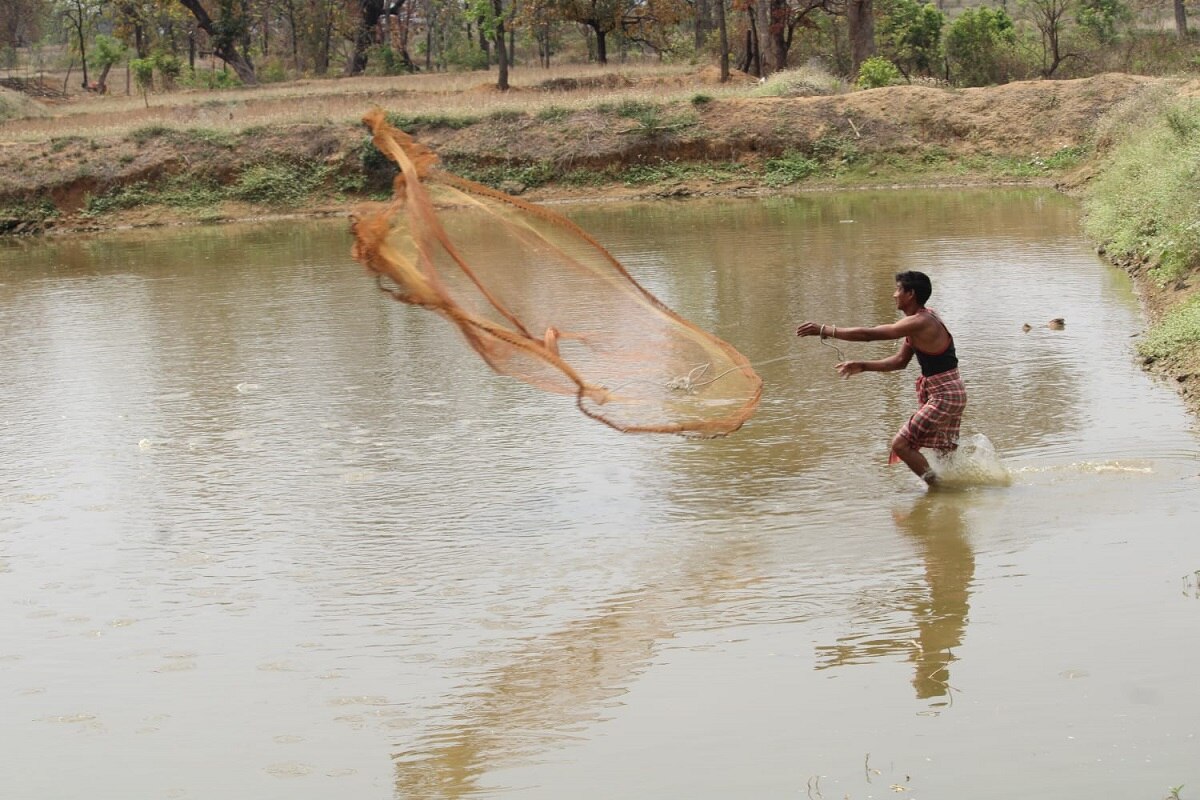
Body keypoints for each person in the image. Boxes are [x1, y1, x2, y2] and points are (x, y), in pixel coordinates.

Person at [796, 270, 966, 486]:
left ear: (910, 294)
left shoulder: (921, 321)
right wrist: (863, 366)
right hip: (950, 392)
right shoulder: (919, 321)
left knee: (901, 444)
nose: (894, 295)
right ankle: (955, 490)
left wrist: (826, 330)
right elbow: (899, 362)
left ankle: (940, 490)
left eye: (898, 289)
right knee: (944, 453)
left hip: (945, 395)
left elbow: (870, 334)